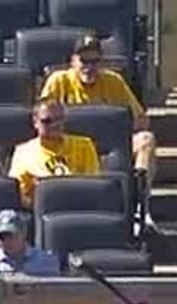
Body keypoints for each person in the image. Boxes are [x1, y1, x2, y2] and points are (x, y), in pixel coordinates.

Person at [38, 34, 155, 208]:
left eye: (95, 61)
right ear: (73, 61)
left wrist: (114, 126)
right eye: (84, 61)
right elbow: (42, 116)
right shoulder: (58, 81)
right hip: (70, 150)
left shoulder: (113, 81)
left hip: (107, 150)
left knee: (146, 139)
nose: (89, 67)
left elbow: (141, 119)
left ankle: (139, 200)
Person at [10, 99, 103, 208]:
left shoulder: (84, 145)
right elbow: (18, 194)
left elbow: (92, 186)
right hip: (43, 208)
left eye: (58, 119)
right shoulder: (23, 152)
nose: (54, 125)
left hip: (79, 207)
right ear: (35, 122)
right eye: (47, 121)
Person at [0, 207, 60, 275]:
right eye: (2, 238)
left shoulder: (46, 261)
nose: (7, 242)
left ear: (23, 234)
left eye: (12, 236)